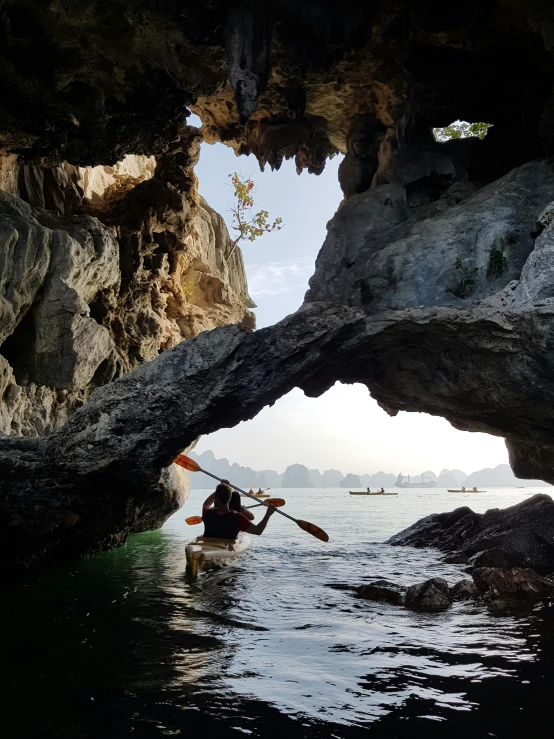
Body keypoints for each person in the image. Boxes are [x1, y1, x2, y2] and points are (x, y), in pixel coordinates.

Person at [202, 482, 276, 539]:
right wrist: (268, 514)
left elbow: (206, 504)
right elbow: (258, 530)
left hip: (208, 547)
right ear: (230, 498)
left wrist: (220, 487)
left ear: (216, 498)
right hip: (227, 551)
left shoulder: (207, 513)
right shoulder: (238, 517)